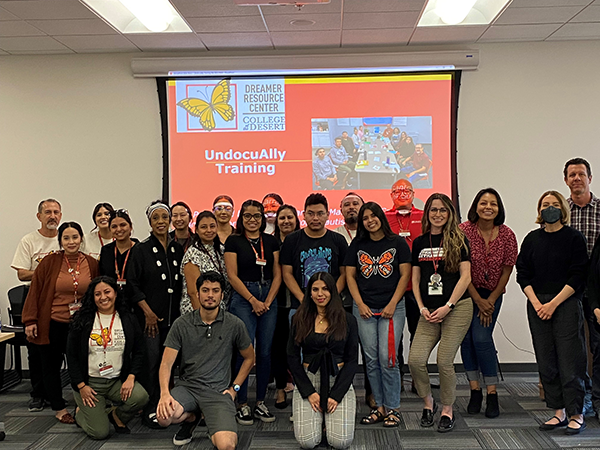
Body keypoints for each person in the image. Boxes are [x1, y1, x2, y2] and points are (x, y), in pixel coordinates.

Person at [516, 190, 589, 435]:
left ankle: (576, 413)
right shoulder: (531, 239)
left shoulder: (573, 238)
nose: (550, 208)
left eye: (554, 204)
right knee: (546, 360)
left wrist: (553, 304)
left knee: (570, 361)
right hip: (537, 304)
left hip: (565, 303)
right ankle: (558, 411)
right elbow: (522, 274)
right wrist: (537, 303)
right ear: (539, 210)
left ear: (562, 209)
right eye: (545, 204)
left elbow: (578, 275)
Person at [156, 271, 255, 448]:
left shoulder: (234, 324)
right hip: (188, 388)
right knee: (163, 418)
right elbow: (166, 363)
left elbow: (249, 358)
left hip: (218, 392)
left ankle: (211, 421)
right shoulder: (182, 323)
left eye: (215, 290)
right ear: (198, 293)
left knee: (227, 446)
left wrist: (235, 389)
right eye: (206, 290)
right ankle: (192, 418)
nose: (210, 295)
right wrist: (164, 393)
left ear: (222, 295)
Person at [22, 221, 99, 424]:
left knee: (81, 366)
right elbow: (35, 291)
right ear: (60, 240)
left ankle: (83, 404)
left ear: (81, 239)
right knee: (51, 366)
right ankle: (59, 407)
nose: (71, 241)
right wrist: (30, 320)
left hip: (81, 325)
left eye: (75, 237)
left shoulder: (91, 263)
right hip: (53, 323)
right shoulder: (49, 262)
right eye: (66, 238)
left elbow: (97, 293)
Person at [408, 193, 472, 433]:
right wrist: (422, 307)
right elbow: (415, 280)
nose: (437, 214)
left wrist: (449, 306)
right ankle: (428, 404)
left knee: (444, 361)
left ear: (450, 213)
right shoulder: (420, 242)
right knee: (415, 361)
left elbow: (466, 277)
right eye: (433, 210)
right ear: (427, 213)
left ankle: (447, 409)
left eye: (443, 210)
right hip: (429, 311)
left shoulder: (460, 239)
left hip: (457, 308)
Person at [346, 202, 411, 427]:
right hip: (364, 308)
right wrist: (360, 304)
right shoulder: (357, 244)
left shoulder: (397, 243)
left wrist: (393, 303)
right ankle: (380, 407)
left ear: (381, 217)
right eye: (365, 218)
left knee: (388, 359)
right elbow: (350, 276)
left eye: (374, 216)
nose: (370, 220)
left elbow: (405, 276)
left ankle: (394, 408)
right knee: (371, 360)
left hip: (392, 308)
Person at [459, 188, 518, 418]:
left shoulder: (507, 234)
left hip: (493, 294)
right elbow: (459, 268)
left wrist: (490, 300)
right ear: (475, 206)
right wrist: (478, 299)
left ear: (499, 208)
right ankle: (475, 390)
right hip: (467, 293)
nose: (488, 207)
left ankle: (492, 393)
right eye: (483, 203)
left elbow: (507, 269)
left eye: (493, 203)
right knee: (467, 340)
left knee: (481, 338)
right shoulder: (462, 231)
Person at [67, 276, 148, 439]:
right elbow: (72, 356)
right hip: (89, 383)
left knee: (141, 397)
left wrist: (131, 377)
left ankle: (116, 415)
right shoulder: (82, 319)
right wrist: (81, 386)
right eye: (97, 294)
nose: (103, 297)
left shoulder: (128, 319)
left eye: (107, 292)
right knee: (99, 433)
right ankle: (79, 413)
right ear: (93, 297)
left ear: (116, 293)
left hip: (116, 381)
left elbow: (140, 351)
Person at [127, 201, 184, 428]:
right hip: (151, 320)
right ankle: (151, 407)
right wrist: (148, 313)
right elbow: (132, 284)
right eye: (155, 218)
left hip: (173, 319)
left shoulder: (176, 248)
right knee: (152, 363)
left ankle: (168, 403)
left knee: (169, 364)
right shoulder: (140, 250)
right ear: (149, 222)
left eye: (164, 217)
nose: (161, 222)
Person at [224, 199, 282, 425]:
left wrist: (267, 300)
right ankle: (241, 402)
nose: (252, 220)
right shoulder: (234, 241)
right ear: (241, 218)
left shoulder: (270, 241)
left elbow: (277, 274)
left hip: (269, 296)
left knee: (265, 352)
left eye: (256, 216)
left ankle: (259, 402)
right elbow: (232, 275)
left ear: (262, 218)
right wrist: (253, 300)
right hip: (243, 297)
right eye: (247, 216)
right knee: (244, 353)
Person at [288, 272, 358, 449]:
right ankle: (320, 423)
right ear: (309, 293)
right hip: (309, 379)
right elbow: (292, 357)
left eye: (325, 289)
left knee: (340, 442)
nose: (320, 294)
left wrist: (336, 396)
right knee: (307, 442)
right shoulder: (299, 318)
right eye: (315, 289)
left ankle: (328, 422)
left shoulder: (348, 319)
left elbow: (351, 361)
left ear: (332, 291)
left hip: (338, 379)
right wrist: (309, 392)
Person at [11, 198, 62, 412]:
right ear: (39, 216)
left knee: (56, 351)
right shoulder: (29, 240)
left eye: (56, 212)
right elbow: (22, 273)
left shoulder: (64, 239)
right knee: (36, 350)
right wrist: (45, 274)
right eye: (47, 212)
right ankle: (37, 395)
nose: (52, 216)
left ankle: (53, 395)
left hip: (59, 302)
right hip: (35, 301)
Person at [564, 157, 600, 416]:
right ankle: (582, 396)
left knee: (598, 345)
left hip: (597, 289)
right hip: (569, 289)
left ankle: (598, 398)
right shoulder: (560, 212)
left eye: (581, 174)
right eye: (572, 174)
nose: (577, 178)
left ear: (590, 178)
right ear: (565, 180)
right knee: (574, 347)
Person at [385, 179, 424, 389]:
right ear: (391, 195)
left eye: (406, 190)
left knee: (419, 334)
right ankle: (396, 378)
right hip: (395, 287)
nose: (402, 194)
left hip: (418, 288)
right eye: (397, 191)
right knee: (395, 335)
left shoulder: (424, 216)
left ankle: (418, 378)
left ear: (414, 193)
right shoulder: (383, 218)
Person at [281, 193, 348, 306]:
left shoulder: (338, 240)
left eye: (320, 213)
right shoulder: (291, 240)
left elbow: (345, 273)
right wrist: (303, 299)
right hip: (300, 305)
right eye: (311, 214)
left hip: (332, 305)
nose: (315, 218)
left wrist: (331, 295)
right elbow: (287, 273)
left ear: (327, 215)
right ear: (304, 215)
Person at [272, 204, 301, 408]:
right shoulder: (270, 243)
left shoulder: (303, 241)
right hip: (278, 303)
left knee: (300, 348)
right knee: (278, 348)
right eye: (282, 218)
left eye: (290, 217)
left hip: (300, 303)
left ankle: (301, 389)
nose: (286, 222)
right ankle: (281, 388)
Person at [180, 210, 229, 315]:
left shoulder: (221, 250)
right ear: (196, 230)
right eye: (203, 227)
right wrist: (202, 318)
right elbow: (193, 292)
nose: (209, 230)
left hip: (220, 310)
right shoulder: (192, 253)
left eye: (212, 226)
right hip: (198, 312)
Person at [98, 209, 138, 293]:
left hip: (136, 300)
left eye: (123, 225)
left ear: (130, 227)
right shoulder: (106, 251)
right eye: (114, 226)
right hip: (111, 301)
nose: (119, 229)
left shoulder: (140, 249)